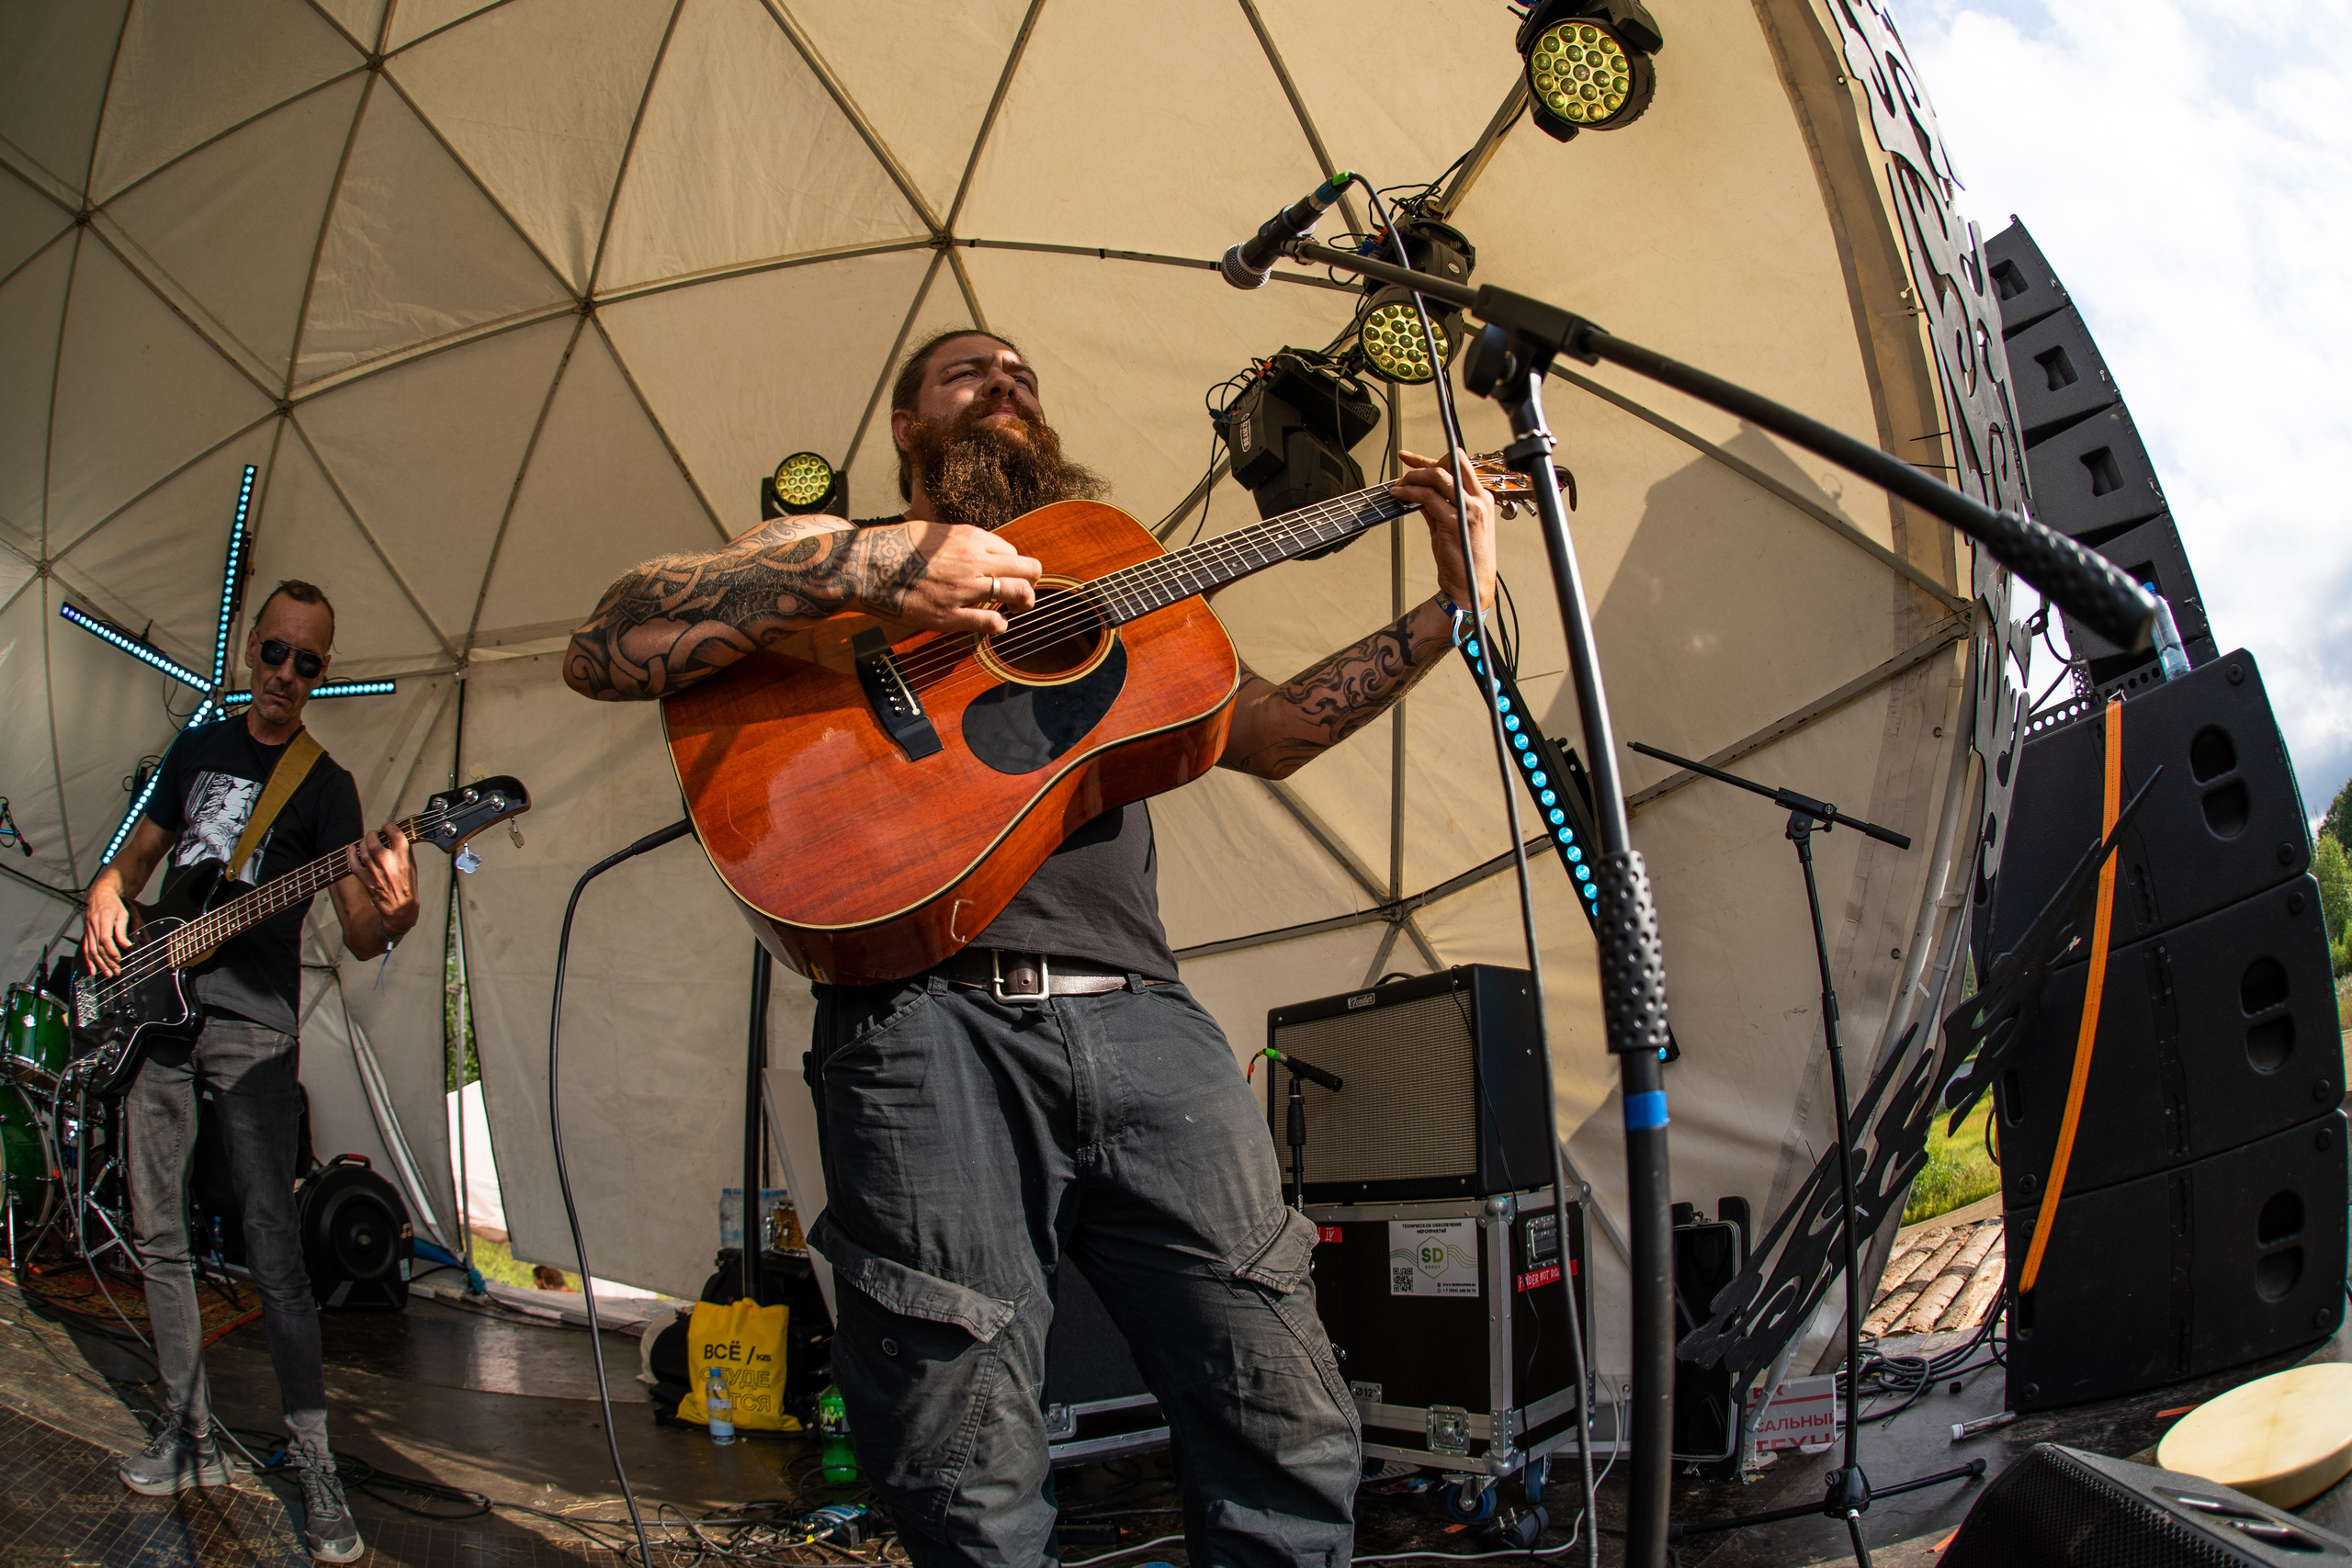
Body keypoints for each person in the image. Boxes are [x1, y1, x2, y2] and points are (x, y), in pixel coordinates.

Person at [565, 331, 1497, 1565]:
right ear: (907, 427)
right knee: (964, 1460)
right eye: (968, 374)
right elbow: (608, 641)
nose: (1004, 385)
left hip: (1148, 1023)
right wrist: (885, 565)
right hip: (920, 1024)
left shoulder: (1112, 572)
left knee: (1286, 1407)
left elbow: (1271, 729)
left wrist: (1455, 609)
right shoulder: (817, 560)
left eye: (1021, 377)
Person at [84, 580, 419, 1563]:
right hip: (155, 1010)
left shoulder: (326, 789)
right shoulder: (197, 749)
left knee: (275, 1245)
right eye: (273, 653)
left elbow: (359, 931)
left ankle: (313, 1466)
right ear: (249, 650)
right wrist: (107, 892)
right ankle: (185, 1433)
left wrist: (394, 915)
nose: (284, 676)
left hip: (255, 1026)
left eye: (306, 664)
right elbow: (135, 863)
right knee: (160, 1231)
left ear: (322, 676)